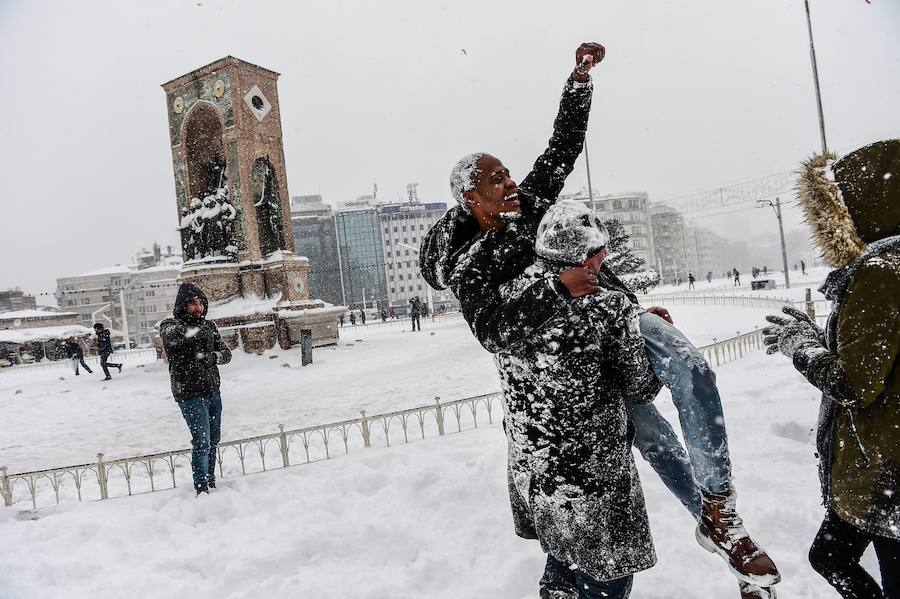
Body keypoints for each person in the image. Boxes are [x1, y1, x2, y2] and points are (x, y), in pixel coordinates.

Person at [420, 44, 777, 598]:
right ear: (470, 197)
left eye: (509, 174)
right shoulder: (474, 260)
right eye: (497, 180)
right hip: (573, 379)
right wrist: (560, 291)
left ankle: (719, 510)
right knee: (651, 427)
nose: (511, 183)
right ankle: (714, 518)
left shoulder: (529, 209)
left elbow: (561, 150)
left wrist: (579, 82)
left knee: (682, 376)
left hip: (607, 330)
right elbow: (494, 330)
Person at [763, 140, 899, 598]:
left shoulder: (881, 271)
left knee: (840, 559)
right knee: (830, 555)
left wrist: (801, 347)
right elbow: (883, 356)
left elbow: (853, 384)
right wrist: (820, 338)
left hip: (886, 469)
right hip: (884, 461)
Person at [160, 282, 232, 496]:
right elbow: (180, 334)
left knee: (213, 440)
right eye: (193, 304)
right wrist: (199, 330)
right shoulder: (169, 326)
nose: (198, 308)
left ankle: (210, 481)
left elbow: (226, 353)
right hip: (190, 394)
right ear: (183, 305)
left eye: (201, 303)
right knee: (201, 441)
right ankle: (201, 487)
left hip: (212, 392)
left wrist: (213, 357)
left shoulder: (209, 327)